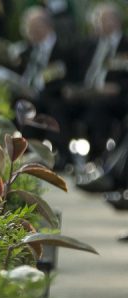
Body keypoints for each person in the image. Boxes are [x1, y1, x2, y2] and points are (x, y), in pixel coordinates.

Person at [6, 7, 75, 165]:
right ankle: (21, 151)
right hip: (28, 96)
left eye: (33, 28)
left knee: (50, 106)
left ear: (46, 26)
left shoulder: (64, 47)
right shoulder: (27, 51)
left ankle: (54, 154)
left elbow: (65, 77)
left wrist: (37, 91)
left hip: (53, 96)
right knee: (15, 104)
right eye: (27, 28)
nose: (29, 32)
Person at [74, 2, 128, 192]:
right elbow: (77, 73)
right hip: (87, 95)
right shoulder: (89, 46)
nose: (101, 24)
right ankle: (74, 160)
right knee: (62, 106)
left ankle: (100, 164)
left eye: (105, 20)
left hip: (118, 98)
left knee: (99, 111)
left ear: (117, 21)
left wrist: (118, 87)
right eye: (98, 20)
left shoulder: (125, 45)